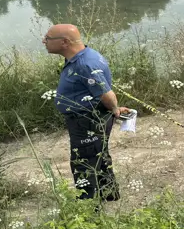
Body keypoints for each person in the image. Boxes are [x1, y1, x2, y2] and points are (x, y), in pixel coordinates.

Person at [43, 24, 126, 201]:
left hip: (88, 119)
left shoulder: (84, 64)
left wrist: (114, 109)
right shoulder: (83, 55)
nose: (44, 41)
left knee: (84, 163)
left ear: (64, 42)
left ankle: (89, 210)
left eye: (48, 38)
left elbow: (107, 94)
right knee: (99, 155)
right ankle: (109, 194)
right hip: (91, 116)